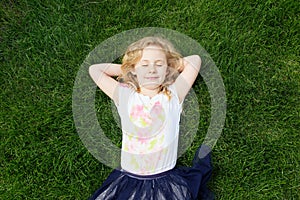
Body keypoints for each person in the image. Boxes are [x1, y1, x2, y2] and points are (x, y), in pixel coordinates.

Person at [88, 36, 214, 200]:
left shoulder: (174, 94)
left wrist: (168, 66)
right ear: (133, 68)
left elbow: (194, 61)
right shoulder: (125, 95)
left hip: (165, 180)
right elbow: (95, 70)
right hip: (129, 179)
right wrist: (129, 68)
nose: (152, 70)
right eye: (145, 64)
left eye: (159, 64)